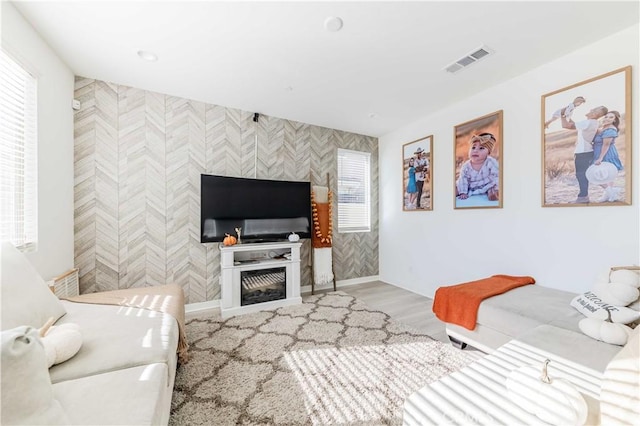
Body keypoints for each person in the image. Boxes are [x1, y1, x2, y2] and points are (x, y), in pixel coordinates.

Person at [561, 105, 608, 203]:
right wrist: (568, 114)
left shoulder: (588, 122)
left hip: (583, 153)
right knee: (584, 174)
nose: (591, 109)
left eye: (594, 109)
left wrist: (562, 115)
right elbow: (574, 124)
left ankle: (583, 197)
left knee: (581, 175)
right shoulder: (592, 122)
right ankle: (589, 195)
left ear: (596, 114)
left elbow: (566, 126)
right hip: (586, 152)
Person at [456, 133, 499, 201]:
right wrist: (463, 192)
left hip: (487, 185)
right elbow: (463, 179)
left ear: (488, 152)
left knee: (493, 189)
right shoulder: (466, 166)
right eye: (473, 147)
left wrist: (496, 186)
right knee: (456, 187)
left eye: (481, 148)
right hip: (469, 186)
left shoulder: (490, 162)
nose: (475, 150)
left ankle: (493, 194)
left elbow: (497, 175)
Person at [592, 111, 623, 202]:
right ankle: (609, 194)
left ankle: (611, 192)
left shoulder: (610, 130)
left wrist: (600, 158)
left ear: (614, 120)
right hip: (599, 152)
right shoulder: (602, 128)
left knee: (597, 175)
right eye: (606, 116)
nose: (607, 119)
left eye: (611, 117)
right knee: (606, 177)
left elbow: (606, 145)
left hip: (606, 154)